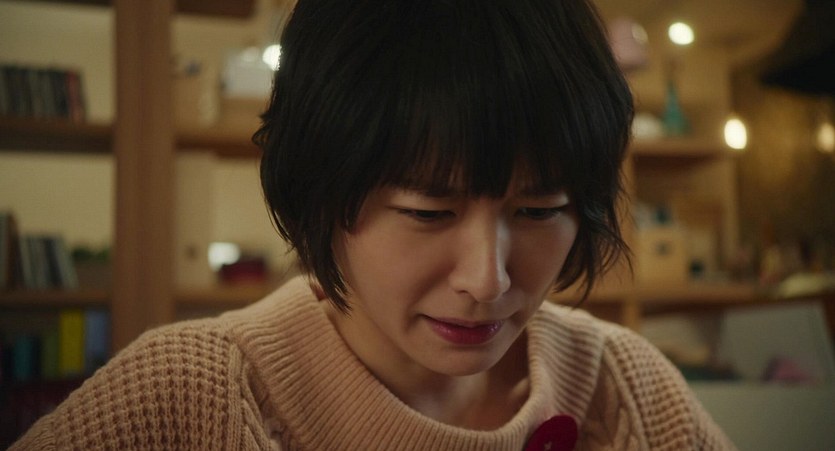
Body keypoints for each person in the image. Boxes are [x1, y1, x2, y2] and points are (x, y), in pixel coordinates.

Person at [13, 0, 736, 449]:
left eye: (538, 211)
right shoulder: (185, 398)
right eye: (428, 212)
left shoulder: (623, 389)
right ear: (322, 194)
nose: (487, 280)